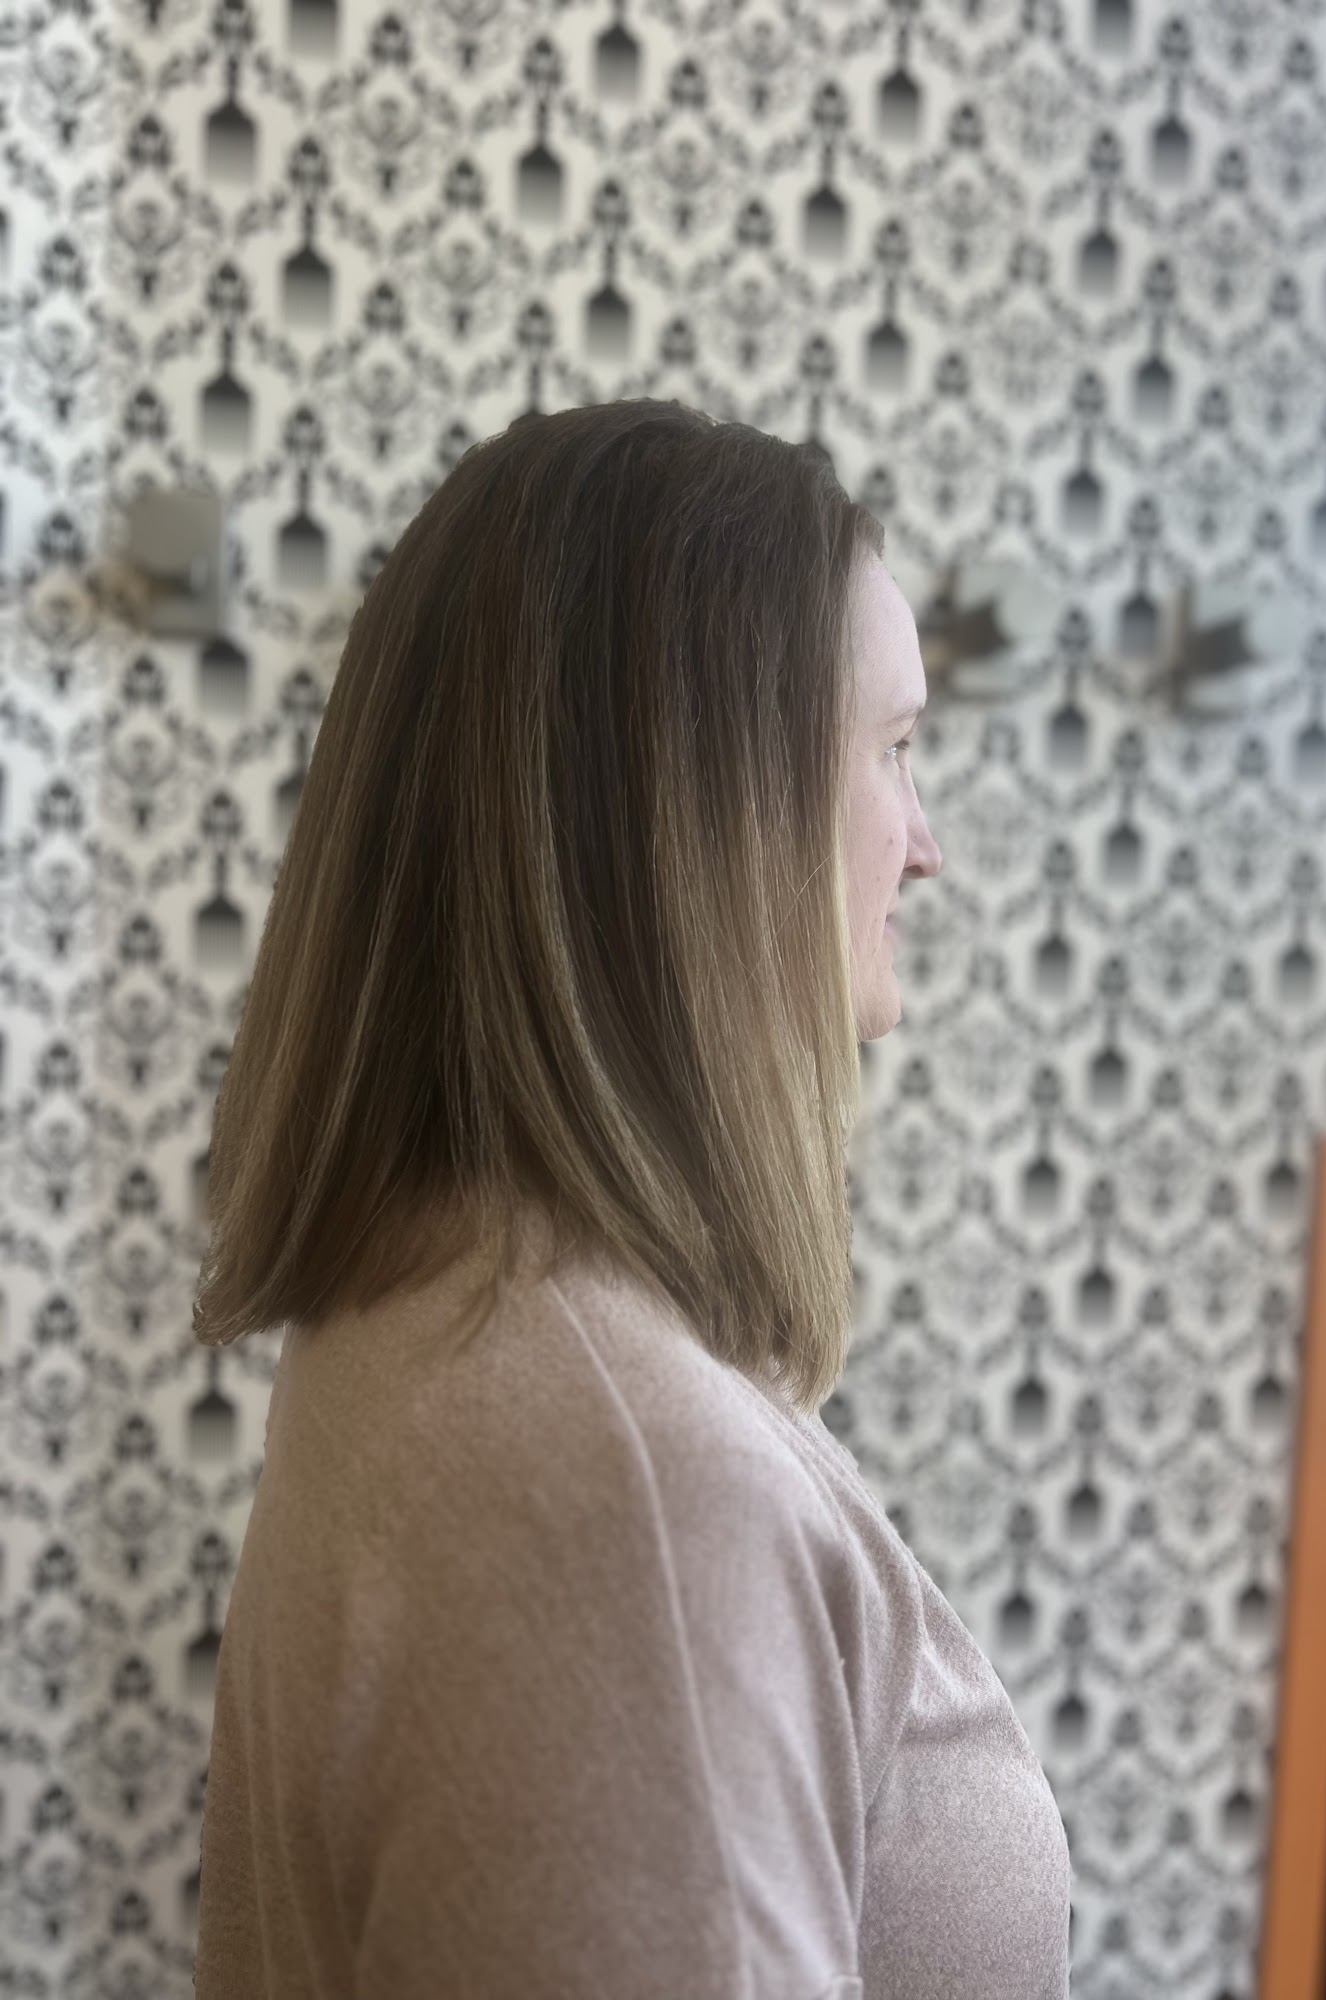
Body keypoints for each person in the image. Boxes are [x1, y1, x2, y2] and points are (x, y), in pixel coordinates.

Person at [191, 399, 1071, 1999]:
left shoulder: (445, 1309)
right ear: (703, 808)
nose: (926, 847)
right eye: (894, 751)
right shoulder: (628, 1490)